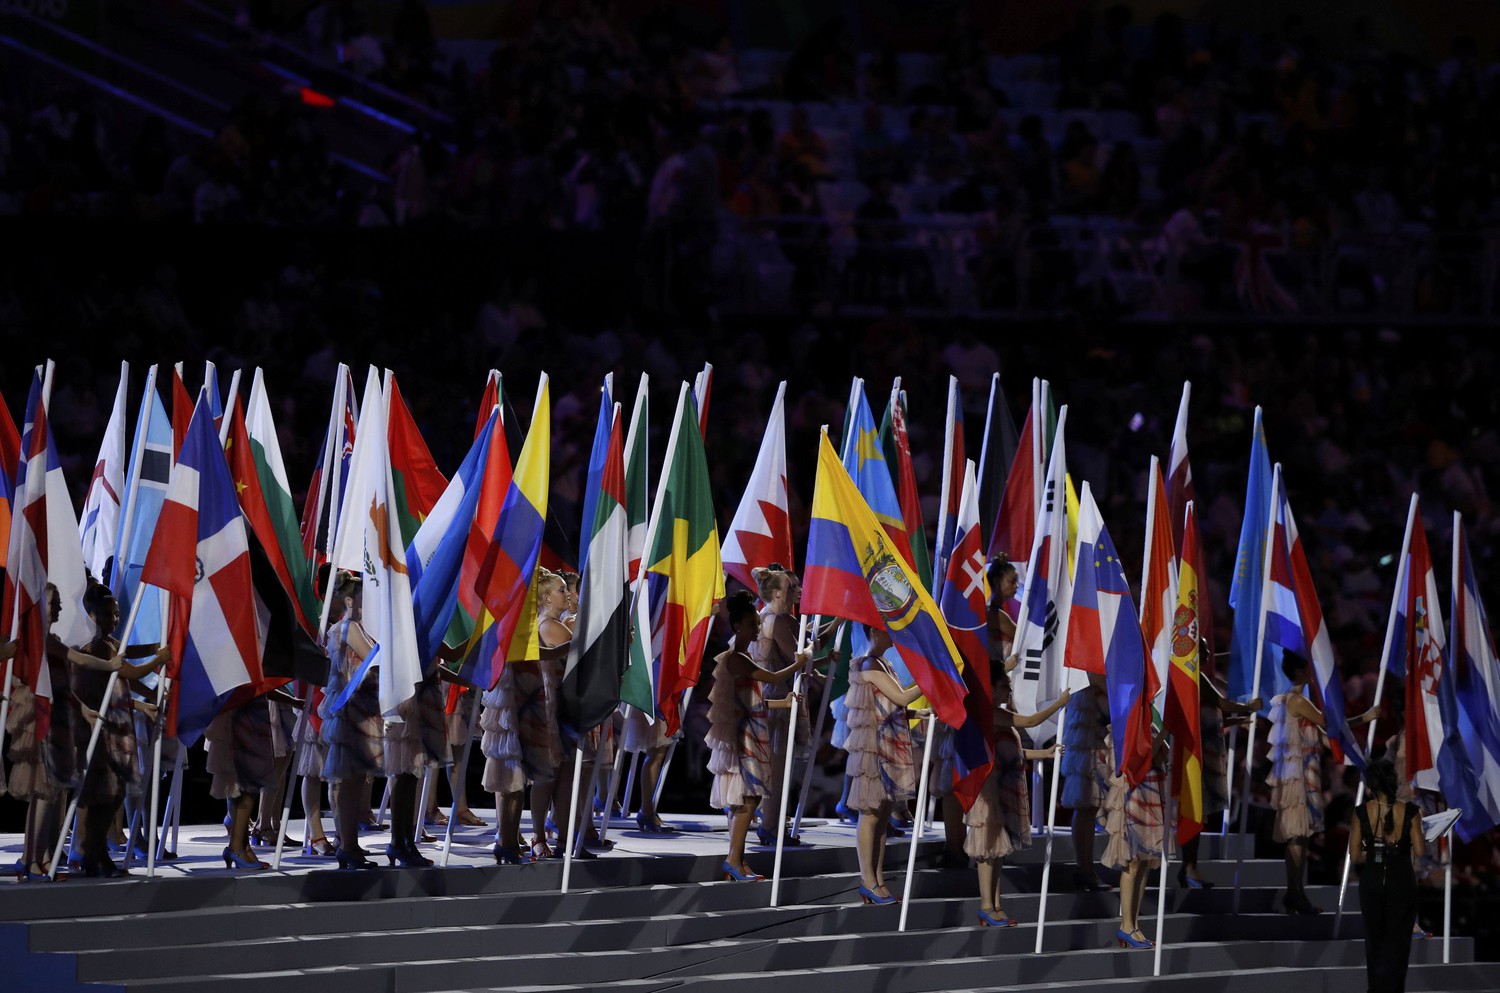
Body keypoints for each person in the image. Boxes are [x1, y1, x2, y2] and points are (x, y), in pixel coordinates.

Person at [71, 580, 170, 877]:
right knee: (106, 794)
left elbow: (131, 653)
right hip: (97, 731)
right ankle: (93, 853)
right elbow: (126, 670)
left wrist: (156, 646)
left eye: (116, 614)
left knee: (113, 795)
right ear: (92, 615)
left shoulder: (111, 643)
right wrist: (159, 659)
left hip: (116, 729)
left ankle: (96, 854)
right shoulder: (95, 647)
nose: (114, 620)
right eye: (108, 615)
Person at [1269, 651, 1378, 913]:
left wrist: (1357, 746)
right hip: (1297, 776)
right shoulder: (1295, 700)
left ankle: (1295, 893)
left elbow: (1326, 735)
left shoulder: (1298, 701)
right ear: (1298, 672)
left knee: (1301, 838)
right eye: (1307, 668)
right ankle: (1294, 894)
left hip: (1306, 772)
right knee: (1297, 837)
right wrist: (1364, 717)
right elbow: (1330, 724)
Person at [707, 590, 804, 881]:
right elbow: (773, 678)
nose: (757, 629)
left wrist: (783, 703)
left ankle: (738, 860)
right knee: (747, 801)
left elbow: (754, 698)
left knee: (750, 800)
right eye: (753, 624)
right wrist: (801, 662)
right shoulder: (736, 658)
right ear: (738, 626)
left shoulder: (742, 657)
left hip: (751, 732)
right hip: (743, 737)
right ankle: (733, 860)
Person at [968, 671, 1068, 926]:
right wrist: (1059, 703)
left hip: (1003, 784)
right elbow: (1032, 721)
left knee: (998, 849)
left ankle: (996, 904)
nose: (1009, 691)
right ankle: (986, 906)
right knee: (987, 848)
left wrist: (1042, 753)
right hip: (989, 787)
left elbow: (1012, 750)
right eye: (1004, 686)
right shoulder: (991, 712)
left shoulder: (998, 715)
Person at [845, 625, 923, 904]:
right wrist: (928, 680)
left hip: (890, 743)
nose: (893, 633)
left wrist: (920, 711)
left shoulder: (884, 663)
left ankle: (877, 877)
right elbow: (901, 697)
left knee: (883, 814)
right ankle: (867, 880)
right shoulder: (868, 664)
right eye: (886, 630)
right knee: (872, 814)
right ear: (874, 633)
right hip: (875, 747)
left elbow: (893, 706)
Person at [321, 572, 383, 870]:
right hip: (350, 712)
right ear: (349, 601)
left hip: (362, 710)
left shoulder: (358, 627)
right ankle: (347, 845)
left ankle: (350, 844)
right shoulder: (348, 627)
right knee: (349, 779)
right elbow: (373, 659)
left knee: (357, 778)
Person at [1178, 662, 1260, 888]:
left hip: (1205, 752)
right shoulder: (1196, 676)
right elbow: (1222, 703)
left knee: (1198, 813)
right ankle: (1188, 868)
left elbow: (1208, 715)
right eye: (1201, 648)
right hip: (1195, 754)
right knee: (1193, 812)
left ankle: (1189, 866)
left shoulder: (1198, 676)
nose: (1206, 653)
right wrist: (1249, 706)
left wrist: (1234, 720)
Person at [1349, 758, 1426, 993]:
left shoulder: (1362, 812)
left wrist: (1373, 854)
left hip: (1372, 881)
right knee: (1398, 943)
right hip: (1401, 881)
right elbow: (1420, 851)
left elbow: (1355, 856)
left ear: (1372, 785)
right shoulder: (1411, 812)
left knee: (1375, 942)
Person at [753, 564, 816, 847]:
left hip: (780, 696)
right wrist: (811, 655)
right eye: (792, 588)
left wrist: (837, 622)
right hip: (775, 699)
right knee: (776, 770)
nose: (797, 592)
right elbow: (798, 655)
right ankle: (769, 827)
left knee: (780, 768)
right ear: (778, 592)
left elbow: (810, 640)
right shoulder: (775, 620)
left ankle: (774, 823)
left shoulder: (778, 618)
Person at [1101, 732, 1171, 948]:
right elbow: (1142, 756)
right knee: (1132, 862)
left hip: (1151, 792)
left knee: (1144, 863)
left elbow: (1165, 754)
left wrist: (1163, 733)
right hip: (1132, 794)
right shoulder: (1123, 727)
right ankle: (1126, 925)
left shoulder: (1150, 724)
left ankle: (1135, 926)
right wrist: (1164, 730)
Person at [1061, 674, 1113, 890]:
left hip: (1100, 733)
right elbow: (1094, 675)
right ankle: (1084, 870)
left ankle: (1086, 869)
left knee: (1091, 806)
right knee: (1086, 804)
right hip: (1087, 734)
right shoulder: (1088, 654)